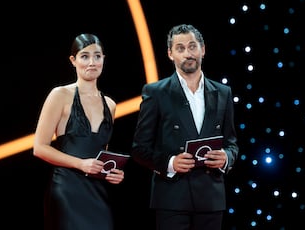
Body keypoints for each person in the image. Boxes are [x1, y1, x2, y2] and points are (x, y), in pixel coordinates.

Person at [131, 24, 239, 230]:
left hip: (211, 199)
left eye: (192, 46)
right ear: (170, 54)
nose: (187, 53)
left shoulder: (223, 92)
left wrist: (226, 157)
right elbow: (139, 149)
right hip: (172, 198)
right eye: (180, 48)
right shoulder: (156, 92)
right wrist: (170, 163)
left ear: (203, 49)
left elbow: (231, 143)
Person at [33, 33, 124, 230]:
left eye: (97, 56)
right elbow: (39, 148)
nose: (92, 62)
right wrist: (80, 164)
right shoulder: (60, 95)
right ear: (73, 61)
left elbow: (101, 153)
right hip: (67, 189)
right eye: (85, 56)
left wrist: (111, 172)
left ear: (103, 59)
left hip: (98, 192)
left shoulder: (110, 105)